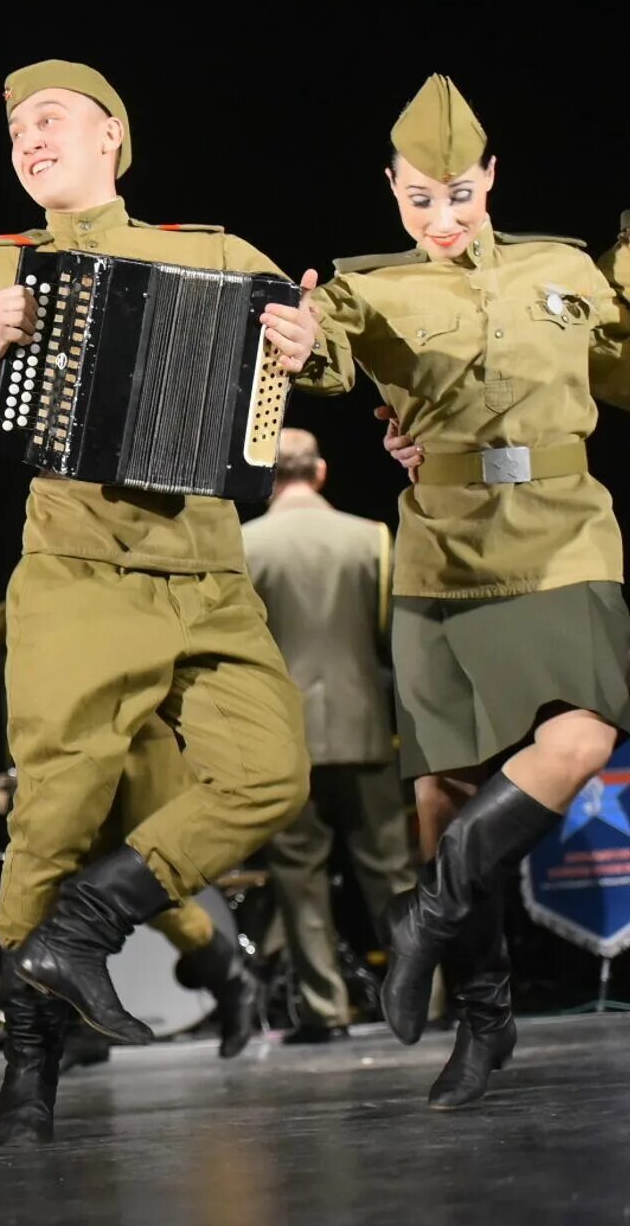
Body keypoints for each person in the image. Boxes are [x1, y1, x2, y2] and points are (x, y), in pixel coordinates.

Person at [0, 59, 336, 1145]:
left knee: (271, 772)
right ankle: (31, 1062)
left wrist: (315, 342)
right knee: (56, 809)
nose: (31, 137)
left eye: (54, 119)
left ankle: (83, 925)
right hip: (77, 572)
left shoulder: (212, 254)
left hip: (208, 570)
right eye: (17, 126)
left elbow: (325, 340)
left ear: (113, 138)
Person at [309, 75, 630, 1108]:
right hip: (442, 545)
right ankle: (483, 1017)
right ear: (391, 193)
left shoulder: (566, 266)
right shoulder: (368, 289)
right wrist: (290, 336)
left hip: (565, 528)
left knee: (582, 737)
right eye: (417, 201)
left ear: (490, 177)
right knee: (440, 787)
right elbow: (316, 358)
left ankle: (425, 916)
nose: (440, 218)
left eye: (457, 194)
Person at [0, 601, 264, 1063]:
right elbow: (10, 611)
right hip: (83, 749)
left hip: (147, 743)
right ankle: (89, 1028)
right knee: (67, 884)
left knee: (149, 882)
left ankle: (232, 980)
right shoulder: (61, 570)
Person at [241, 429, 419, 1043]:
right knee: (394, 875)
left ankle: (325, 1009)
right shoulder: (370, 538)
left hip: (284, 738)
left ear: (267, 476)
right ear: (319, 472)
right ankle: (424, 996)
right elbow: (391, 636)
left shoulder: (242, 547)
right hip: (365, 726)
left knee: (299, 879)